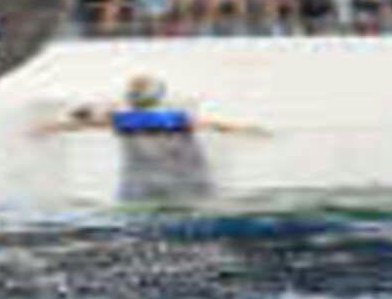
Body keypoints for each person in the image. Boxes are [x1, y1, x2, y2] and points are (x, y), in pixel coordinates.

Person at [39, 74, 265, 205]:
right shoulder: (171, 117)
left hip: (147, 186)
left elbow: (80, 120)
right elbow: (216, 126)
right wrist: (247, 130)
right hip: (184, 182)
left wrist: (48, 128)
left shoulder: (123, 118)